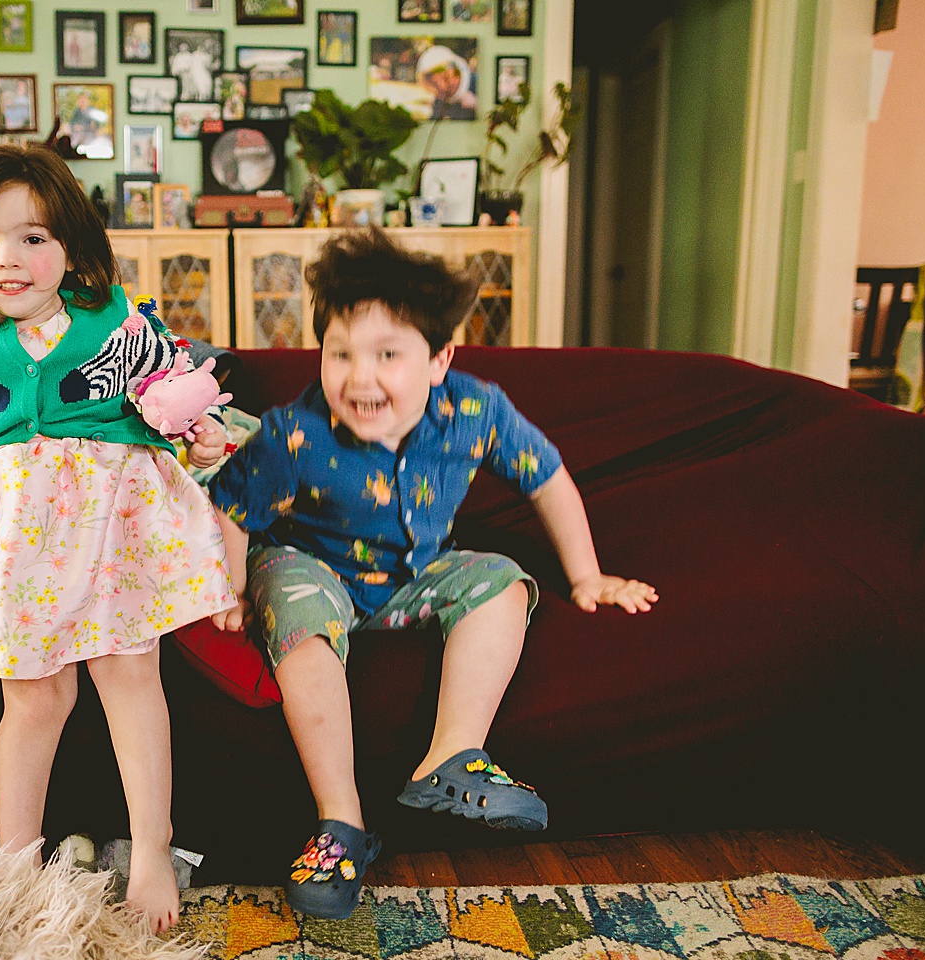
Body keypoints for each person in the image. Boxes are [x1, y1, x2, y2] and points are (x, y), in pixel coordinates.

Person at [206, 228, 657, 921]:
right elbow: (234, 506)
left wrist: (588, 576)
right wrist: (232, 587)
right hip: (308, 564)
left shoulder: (475, 409)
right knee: (298, 624)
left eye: (388, 355)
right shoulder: (295, 430)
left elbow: (548, 479)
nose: (360, 378)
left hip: (415, 572)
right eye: (340, 354)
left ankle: (450, 755)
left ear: (441, 357)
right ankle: (341, 823)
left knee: (502, 579)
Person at [0, 144, 236, 935]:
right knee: (36, 697)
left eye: (33, 238)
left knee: (129, 674)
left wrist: (201, 431)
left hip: (112, 522)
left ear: (70, 247)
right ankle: (16, 866)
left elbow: (167, 390)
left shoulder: (116, 323)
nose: (9, 259)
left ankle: (152, 846)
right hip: (12, 538)